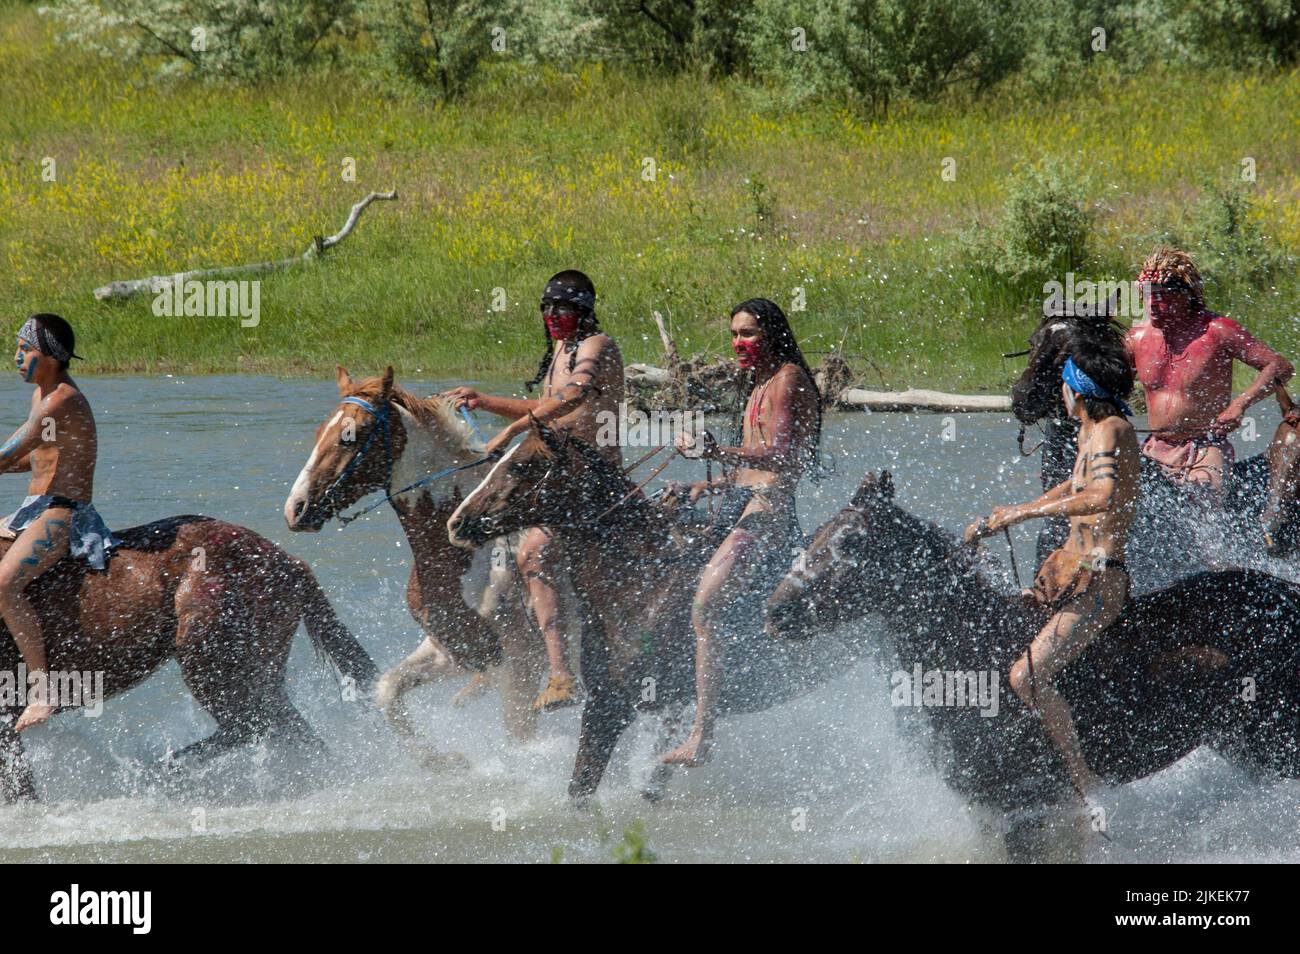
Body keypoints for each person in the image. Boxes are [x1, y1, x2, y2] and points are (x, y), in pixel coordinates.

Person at [966, 332, 1139, 804]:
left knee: (1027, 677)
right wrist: (1011, 510)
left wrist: (1025, 515)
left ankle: (1085, 784)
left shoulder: (1112, 431)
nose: (1060, 395)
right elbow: (1074, 484)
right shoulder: (1088, 432)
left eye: (1062, 387)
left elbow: (1101, 494)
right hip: (1064, 576)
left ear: (1075, 389)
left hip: (1099, 584)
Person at [443, 271, 623, 711]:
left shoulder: (599, 346)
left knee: (532, 553)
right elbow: (542, 405)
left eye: (561, 309)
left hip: (594, 479)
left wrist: (512, 432)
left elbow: (573, 399)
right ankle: (500, 658)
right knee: (495, 541)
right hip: (554, 477)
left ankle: (561, 677)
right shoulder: (562, 349)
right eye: (546, 308)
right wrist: (484, 401)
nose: (552, 317)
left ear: (582, 310)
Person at [660, 298, 821, 766]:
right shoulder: (758, 384)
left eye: (748, 334)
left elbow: (782, 460)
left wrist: (717, 449)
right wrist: (700, 484)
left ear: (771, 334)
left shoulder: (788, 379)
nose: (738, 343)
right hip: (742, 503)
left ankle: (701, 737)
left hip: (768, 516)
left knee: (705, 605)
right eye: (734, 334)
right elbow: (749, 470)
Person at [0, 314, 116, 731]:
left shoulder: (60, 399)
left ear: (51, 356)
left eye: (25, 349)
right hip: (34, 508)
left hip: (63, 513)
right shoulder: (41, 396)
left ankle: (42, 691)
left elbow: (11, 448)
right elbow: (31, 457)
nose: (16, 357)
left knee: (4, 583)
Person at [1126, 247, 1293, 497]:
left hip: (1205, 448)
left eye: (1161, 295)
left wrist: (1240, 404)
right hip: (1153, 447)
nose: (1151, 304)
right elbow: (1103, 381)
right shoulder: (1136, 338)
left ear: (1186, 295)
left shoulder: (1218, 331)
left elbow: (1280, 367)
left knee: (1203, 497)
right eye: (1146, 294)